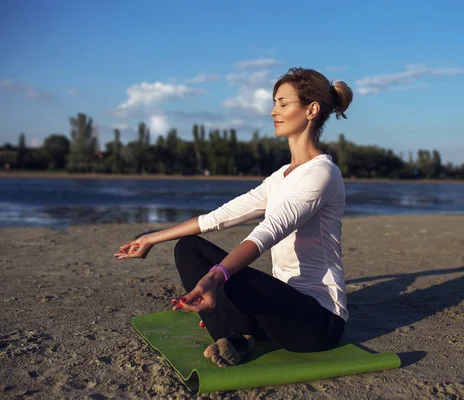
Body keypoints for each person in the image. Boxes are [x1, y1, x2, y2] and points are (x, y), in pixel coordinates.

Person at [114, 67, 353, 367]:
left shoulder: (322, 174)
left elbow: (269, 231)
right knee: (188, 247)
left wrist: (215, 277)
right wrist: (150, 238)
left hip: (317, 323)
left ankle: (238, 329)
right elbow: (219, 217)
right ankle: (239, 337)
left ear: (311, 110)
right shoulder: (281, 177)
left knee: (225, 273)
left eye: (283, 103)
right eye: (274, 103)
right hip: (278, 310)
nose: (273, 111)